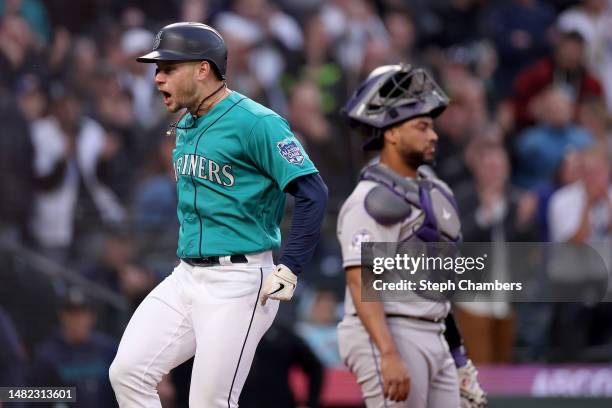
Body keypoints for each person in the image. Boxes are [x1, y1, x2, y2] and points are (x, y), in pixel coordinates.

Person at [108, 22, 328, 408]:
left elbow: (313, 193)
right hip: (187, 275)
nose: (158, 77)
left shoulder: (258, 122)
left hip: (239, 281)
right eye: (158, 69)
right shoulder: (187, 122)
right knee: (127, 372)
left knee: (210, 402)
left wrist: (291, 266)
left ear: (203, 69)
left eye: (168, 68)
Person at [336, 63, 486, 407]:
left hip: (432, 331)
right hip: (389, 331)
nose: (432, 135)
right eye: (421, 126)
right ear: (391, 133)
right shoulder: (369, 199)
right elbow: (362, 280)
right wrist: (388, 354)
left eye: (431, 126)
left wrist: (459, 358)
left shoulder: (433, 192)